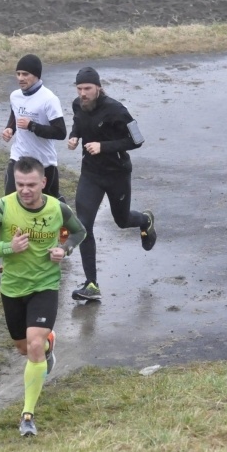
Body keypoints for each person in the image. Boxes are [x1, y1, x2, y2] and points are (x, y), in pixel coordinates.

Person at [0, 156, 86, 437]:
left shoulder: (58, 208)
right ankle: (48, 348)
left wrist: (65, 250)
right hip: (12, 288)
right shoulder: (3, 207)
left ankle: (27, 416)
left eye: (31, 185)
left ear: (43, 182)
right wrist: (8, 248)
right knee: (25, 348)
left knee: (33, 346)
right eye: (20, 184)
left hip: (45, 285)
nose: (25, 190)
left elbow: (78, 232)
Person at [67, 67, 156, 301]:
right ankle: (91, 285)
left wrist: (103, 147)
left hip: (117, 174)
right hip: (91, 175)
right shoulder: (78, 105)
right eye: (79, 89)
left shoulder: (117, 110)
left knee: (122, 220)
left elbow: (137, 140)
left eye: (87, 88)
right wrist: (74, 136)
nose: (83, 93)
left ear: (98, 87)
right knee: (84, 226)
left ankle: (145, 220)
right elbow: (78, 122)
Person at [1, 54, 67, 200]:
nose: (20, 78)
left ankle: (63, 206)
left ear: (36, 75)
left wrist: (32, 126)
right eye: (18, 74)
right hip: (18, 156)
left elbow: (61, 132)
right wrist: (10, 129)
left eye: (25, 74)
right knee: (11, 200)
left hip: (43, 161)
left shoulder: (49, 99)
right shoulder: (15, 96)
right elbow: (15, 115)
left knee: (50, 204)